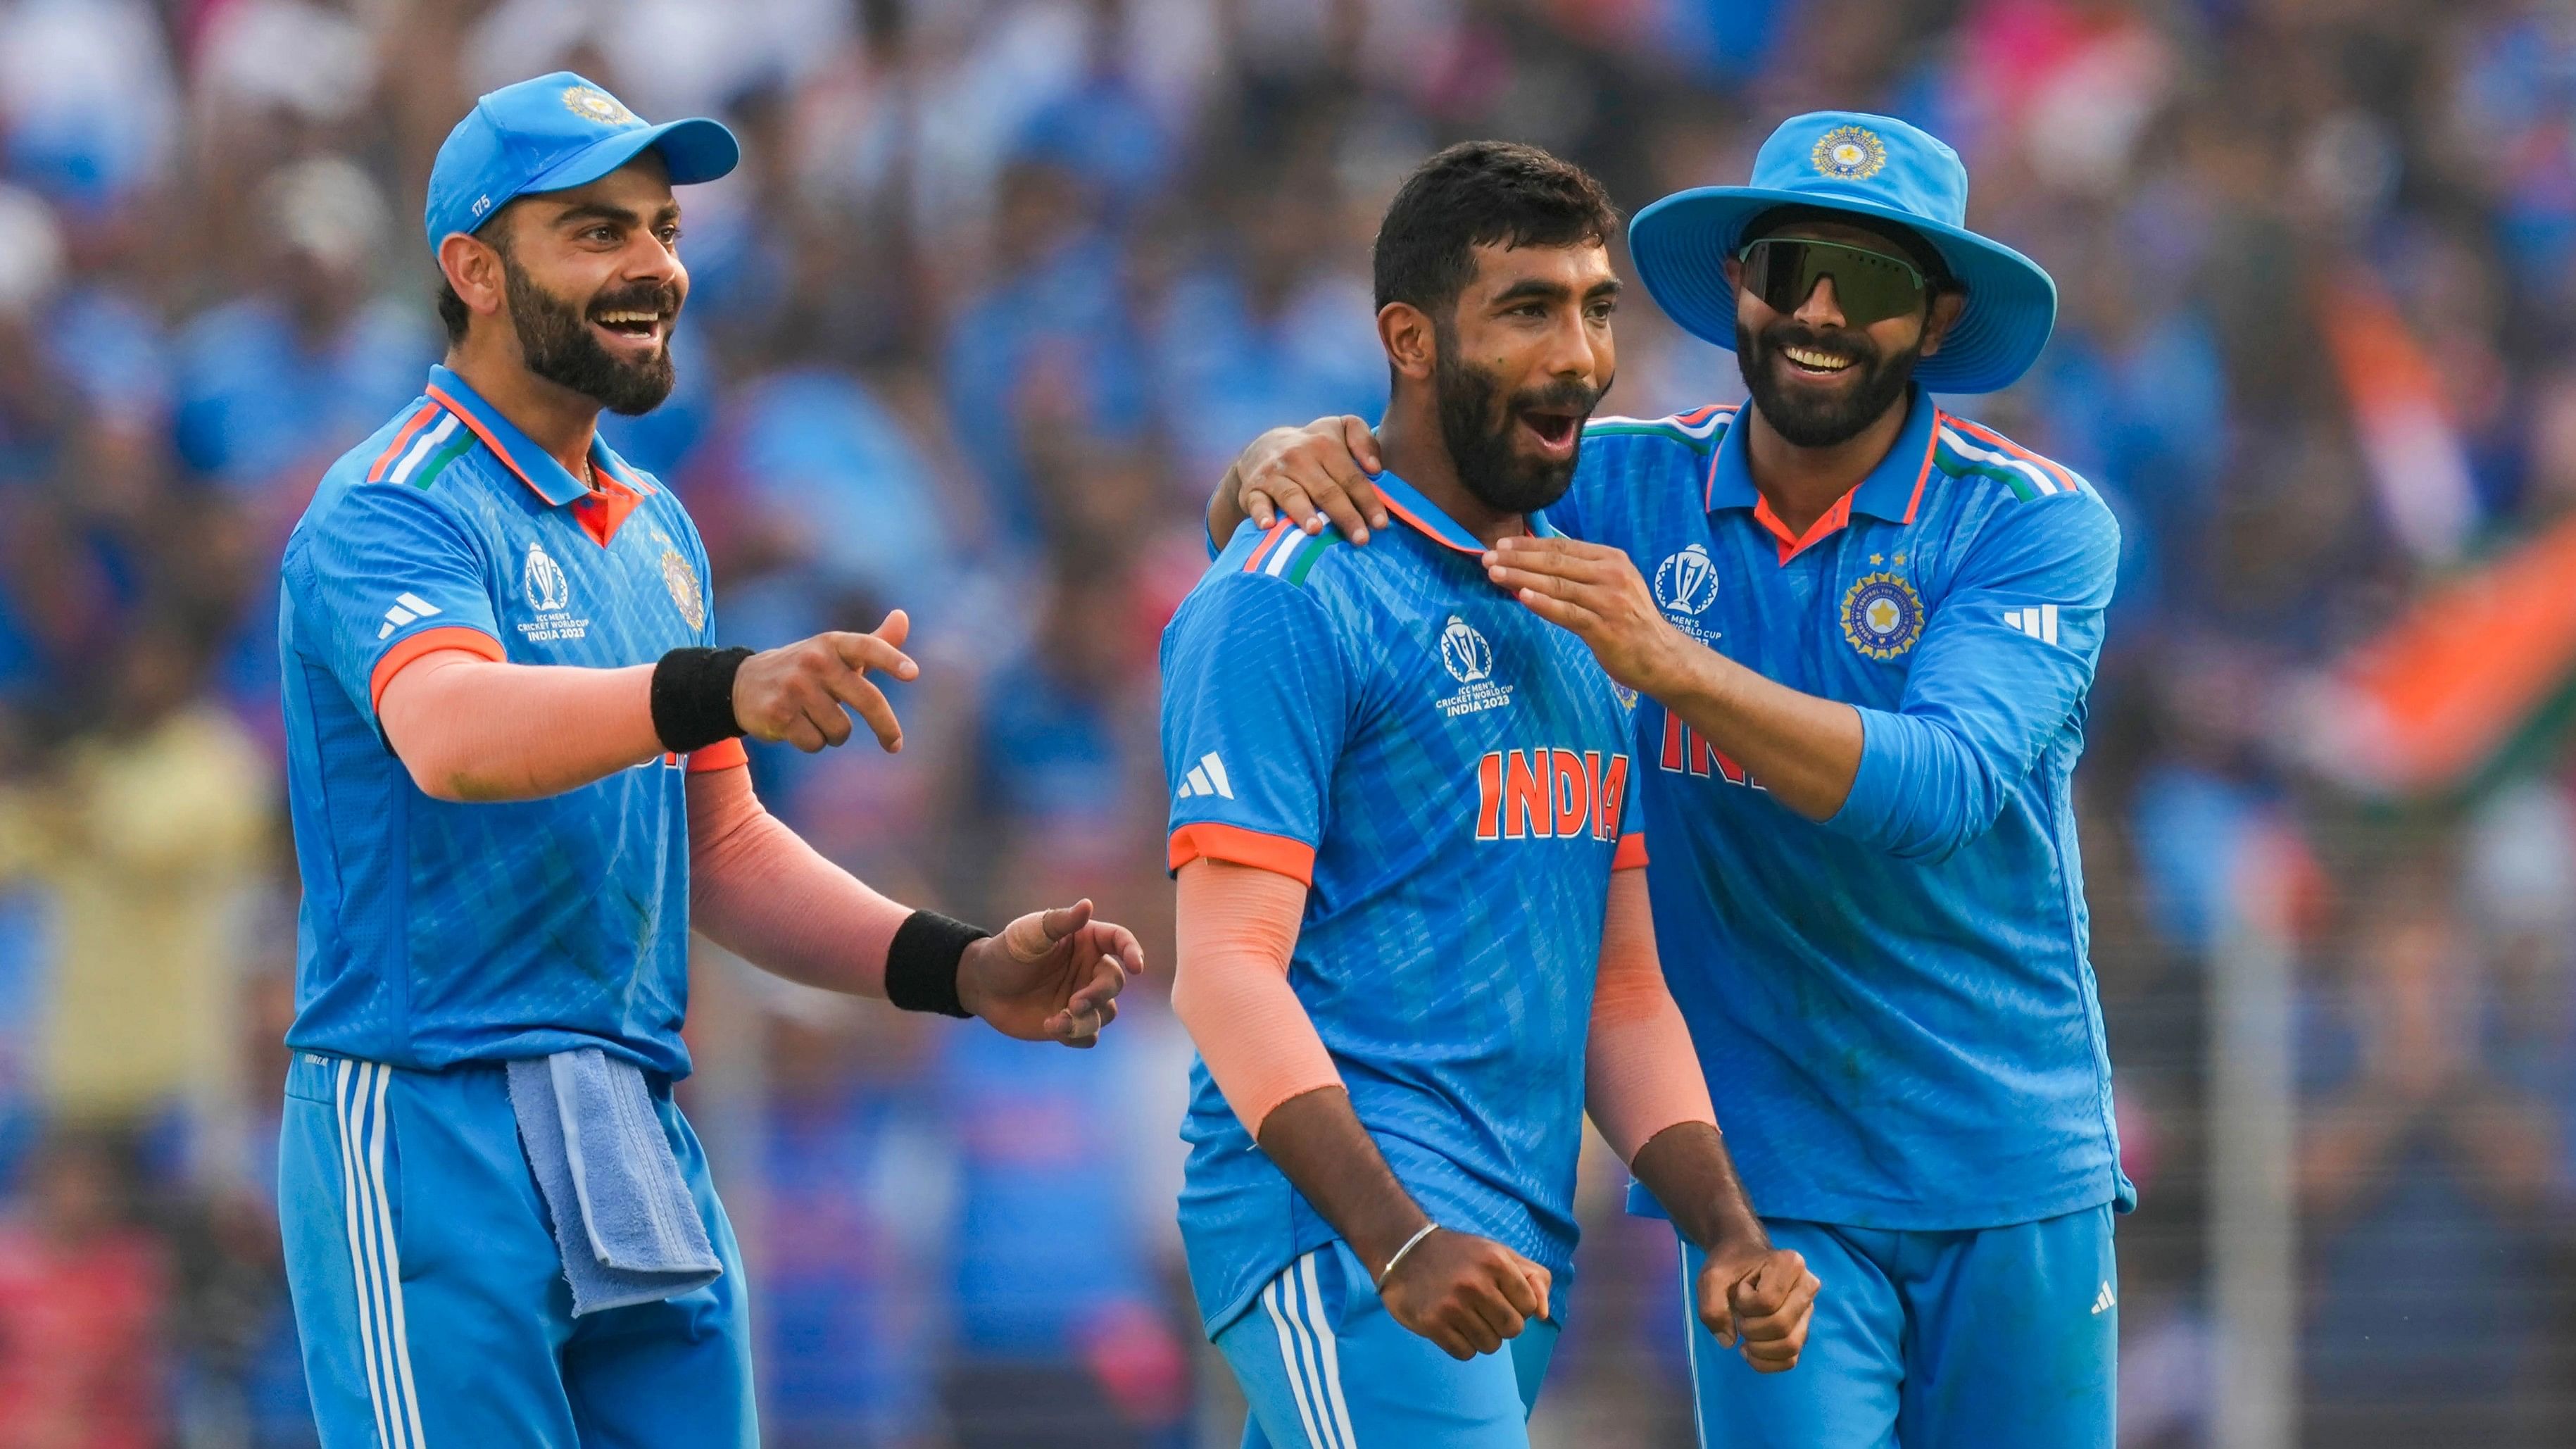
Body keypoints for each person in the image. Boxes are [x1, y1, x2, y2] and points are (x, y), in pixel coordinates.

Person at [1207, 113, 2126, 1448]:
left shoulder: (2033, 522)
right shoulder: (1618, 483)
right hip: (1766, 1187)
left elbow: (1944, 791)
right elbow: (1375, 518)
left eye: (1866, 284)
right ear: (1738, 287)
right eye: (1790, 267)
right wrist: (1261, 466)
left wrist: (1669, 662)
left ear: (1933, 322)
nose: (1818, 312)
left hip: (2009, 1159)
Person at [272, 73, 1143, 1449]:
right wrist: (720, 687)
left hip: (630, 1127)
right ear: (474, 270)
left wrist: (956, 966)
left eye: (663, 228)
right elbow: (450, 736)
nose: (654, 267)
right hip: (435, 1124)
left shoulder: (660, 529)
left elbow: (720, 850)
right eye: (596, 232)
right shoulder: (392, 506)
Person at [1163, 141, 1817, 1449]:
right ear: (1410, 338)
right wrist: (1397, 1240)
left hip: (1505, 1245)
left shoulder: (1586, 606)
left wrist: (1728, 1229)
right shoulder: (1287, 591)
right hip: (1348, 1238)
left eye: (1594, 306)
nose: (1578, 354)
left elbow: (1621, 992)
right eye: (1527, 309)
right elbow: (1225, 969)